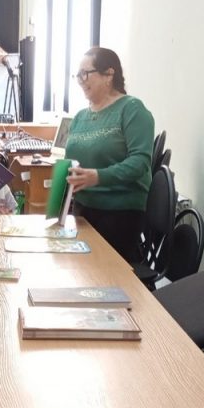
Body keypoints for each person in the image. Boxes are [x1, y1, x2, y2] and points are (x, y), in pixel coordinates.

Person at [65, 46, 154, 263]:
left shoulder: (132, 109)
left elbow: (140, 162)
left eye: (86, 73)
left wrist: (98, 177)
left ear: (109, 75)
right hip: (82, 211)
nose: (81, 80)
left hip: (119, 213)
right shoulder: (80, 117)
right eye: (78, 75)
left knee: (101, 273)